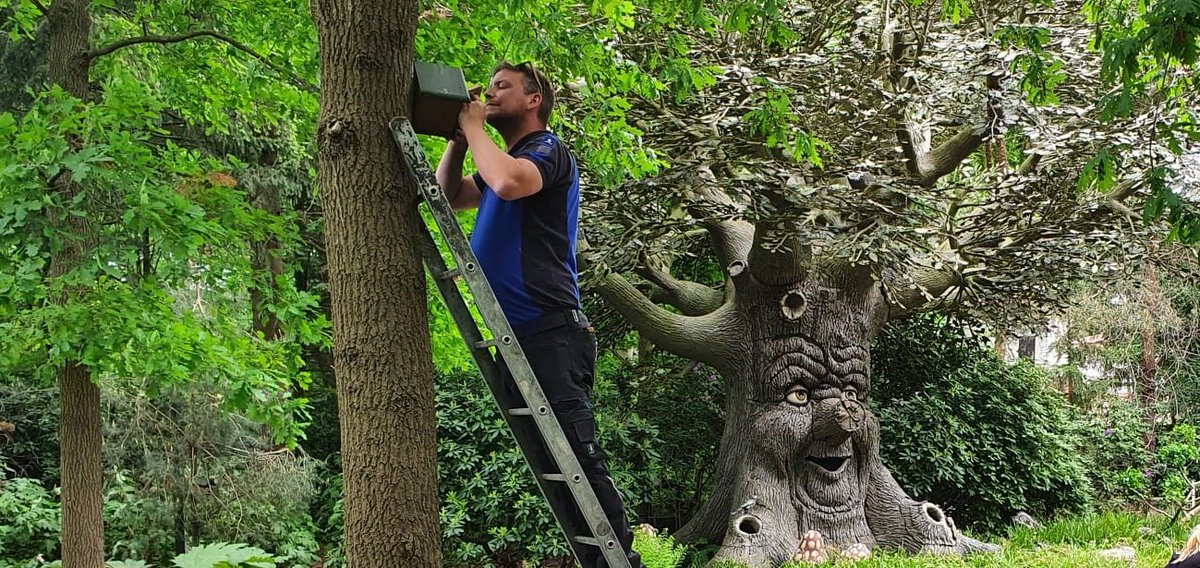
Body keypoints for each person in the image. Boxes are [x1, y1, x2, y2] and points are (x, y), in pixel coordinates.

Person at [435, 61, 646, 568]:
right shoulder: (499, 158)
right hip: (519, 334)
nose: (489, 94)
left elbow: (508, 183)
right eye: (488, 89)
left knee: (577, 457)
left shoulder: (545, 150)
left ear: (534, 100)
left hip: (551, 328)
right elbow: (450, 194)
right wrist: (460, 139)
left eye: (502, 87)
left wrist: (472, 126)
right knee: (555, 467)